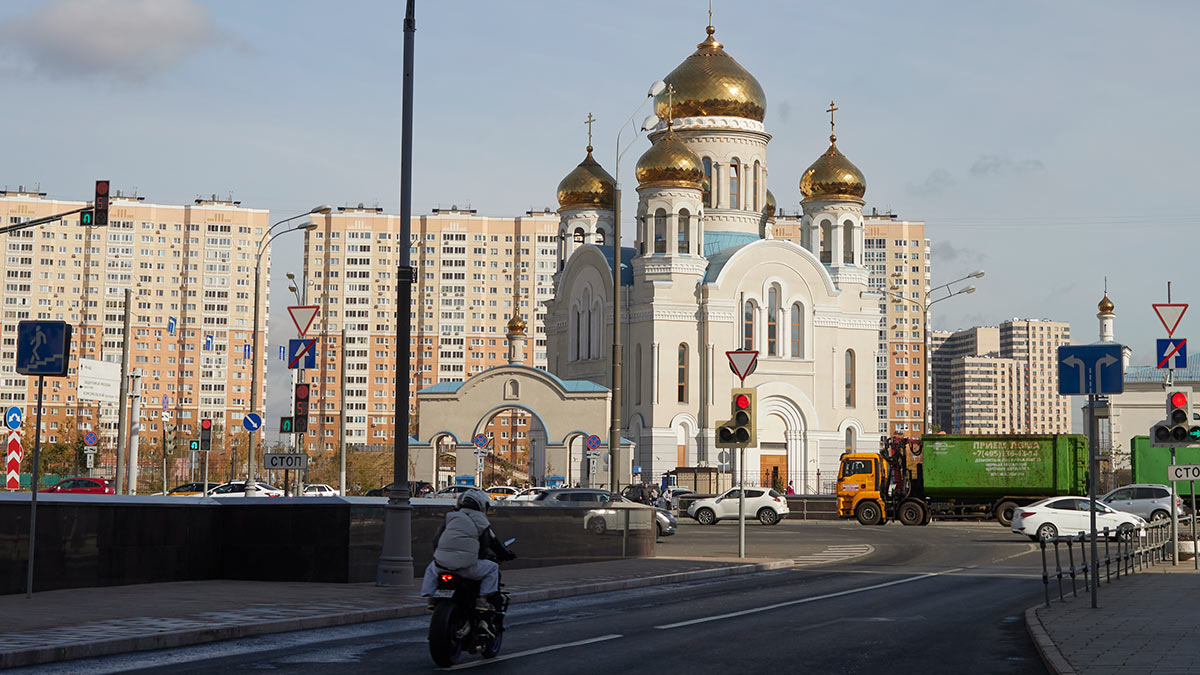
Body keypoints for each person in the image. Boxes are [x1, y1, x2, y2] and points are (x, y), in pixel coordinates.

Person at [420, 488, 515, 611]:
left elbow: (436, 541)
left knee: (431, 567)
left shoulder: (450, 518)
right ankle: (482, 599)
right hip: (466, 568)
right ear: (482, 506)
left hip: (442, 566)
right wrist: (505, 555)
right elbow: (488, 545)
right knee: (493, 568)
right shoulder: (481, 522)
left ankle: (431, 596)